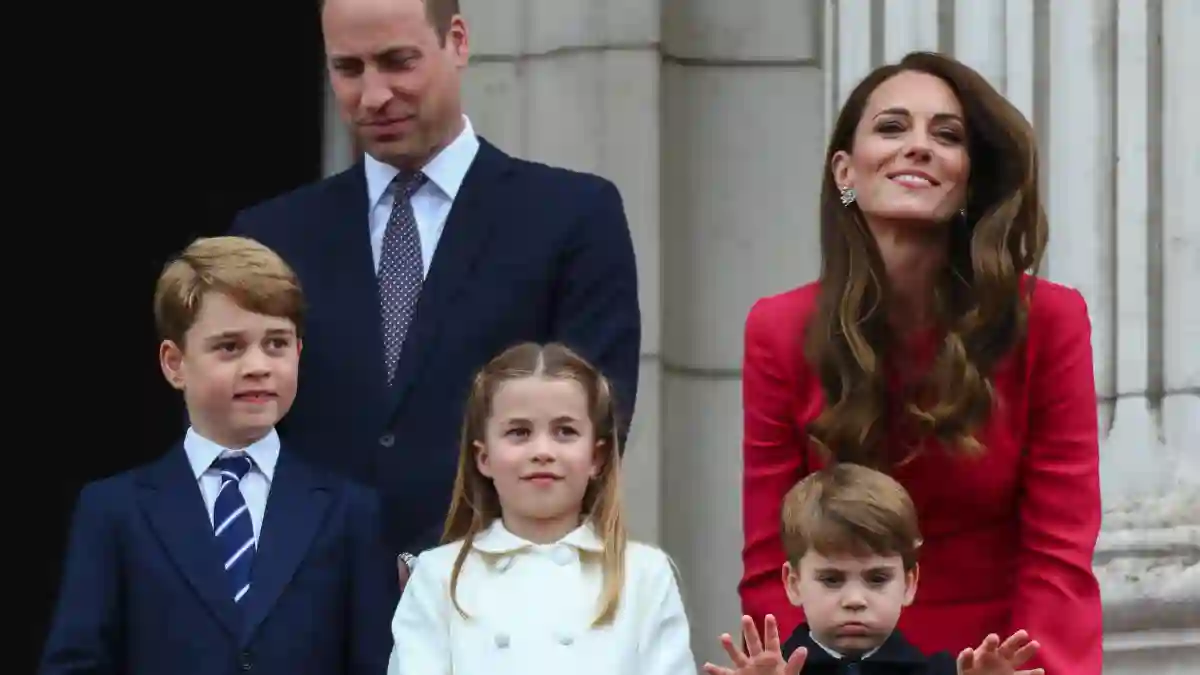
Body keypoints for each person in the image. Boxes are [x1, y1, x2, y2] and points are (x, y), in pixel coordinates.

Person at [228, 0, 641, 575]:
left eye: (399, 62)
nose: (373, 96)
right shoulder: (271, 234)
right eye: (349, 69)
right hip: (313, 600)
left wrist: (466, 561)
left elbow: (598, 414)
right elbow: (232, 427)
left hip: (503, 593)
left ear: (459, 42)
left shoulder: (571, 217)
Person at [738, 51, 1103, 675]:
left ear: (967, 179)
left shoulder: (1048, 320)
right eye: (891, 128)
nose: (919, 147)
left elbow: (1059, 554)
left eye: (947, 135)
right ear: (845, 173)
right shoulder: (778, 330)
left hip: (996, 661)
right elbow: (774, 558)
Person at [39, 237, 397, 675]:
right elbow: (77, 664)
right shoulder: (114, 511)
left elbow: (376, 664)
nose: (258, 366)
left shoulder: (350, 512)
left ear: (299, 352)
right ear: (175, 363)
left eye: (277, 344)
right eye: (229, 347)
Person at [385, 342, 693, 675]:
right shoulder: (438, 577)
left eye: (565, 431)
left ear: (597, 457)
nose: (542, 450)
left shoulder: (645, 575)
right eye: (519, 432)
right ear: (484, 458)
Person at [708, 464, 1044, 675]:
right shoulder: (774, 672)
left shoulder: (940, 672)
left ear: (909, 583)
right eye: (831, 579)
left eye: (877, 579)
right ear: (793, 583)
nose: (855, 599)